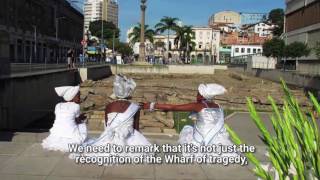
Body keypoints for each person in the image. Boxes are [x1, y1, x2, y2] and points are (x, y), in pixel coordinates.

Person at [70, 75, 151, 164]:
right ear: (129, 93)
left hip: (110, 136)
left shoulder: (109, 106)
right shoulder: (135, 107)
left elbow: (107, 125)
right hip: (126, 136)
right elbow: (136, 128)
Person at [143, 84, 239, 158]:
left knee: (187, 130)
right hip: (218, 139)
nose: (196, 95)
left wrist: (153, 105)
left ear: (202, 96)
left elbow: (174, 107)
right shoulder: (218, 106)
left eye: (198, 93)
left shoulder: (198, 105)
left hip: (202, 139)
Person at [42, 86, 87, 152]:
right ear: (72, 96)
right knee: (82, 123)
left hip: (56, 132)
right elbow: (76, 121)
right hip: (71, 133)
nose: (80, 97)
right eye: (78, 95)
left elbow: (63, 118)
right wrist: (81, 118)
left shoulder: (58, 105)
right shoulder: (76, 106)